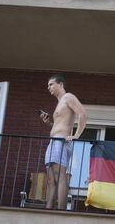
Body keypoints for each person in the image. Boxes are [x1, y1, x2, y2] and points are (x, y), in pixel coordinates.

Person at [39, 74, 87, 210]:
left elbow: (83, 114)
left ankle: (61, 212)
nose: (49, 87)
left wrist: (76, 136)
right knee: (51, 180)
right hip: (53, 142)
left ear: (60, 84)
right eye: (48, 85)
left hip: (60, 142)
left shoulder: (68, 97)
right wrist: (49, 122)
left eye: (51, 84)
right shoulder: (60, 103)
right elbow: (59, 126)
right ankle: (48, 210)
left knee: (60, 177)